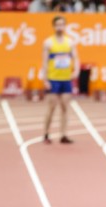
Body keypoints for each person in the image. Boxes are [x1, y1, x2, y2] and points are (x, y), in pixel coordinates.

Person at [42, 16, 79, 144]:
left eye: (62, 24)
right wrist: (45, 79)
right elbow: (45, 62)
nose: (60, 27)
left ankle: (64, 134)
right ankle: (46, 133)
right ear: (53, 26)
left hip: (66, 79)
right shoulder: (48, 42)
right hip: (53, 79)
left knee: (65, 107)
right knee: (51, 108)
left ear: (65, 26)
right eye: (57, 25)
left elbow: (76, 58)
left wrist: (76, 70)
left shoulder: (70, 42)